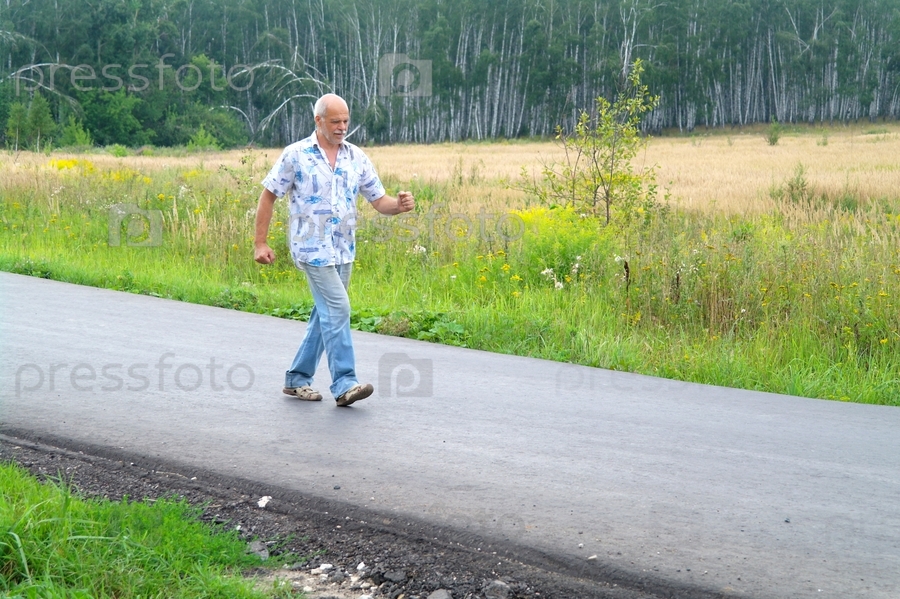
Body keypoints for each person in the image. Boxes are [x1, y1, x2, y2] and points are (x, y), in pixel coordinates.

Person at [254, 93, 414, 407]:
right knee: (338, 309)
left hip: (343, 250)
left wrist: (400, 206)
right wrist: (260, 242)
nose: (342, 127)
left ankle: (296, 378)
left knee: (324, 315)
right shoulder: (296, 155)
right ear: (318, 121)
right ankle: (345, 384)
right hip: (311, 249)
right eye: (335, 122)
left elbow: (379, 201)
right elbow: (268, 196)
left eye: (345, 121)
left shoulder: (356, 157)